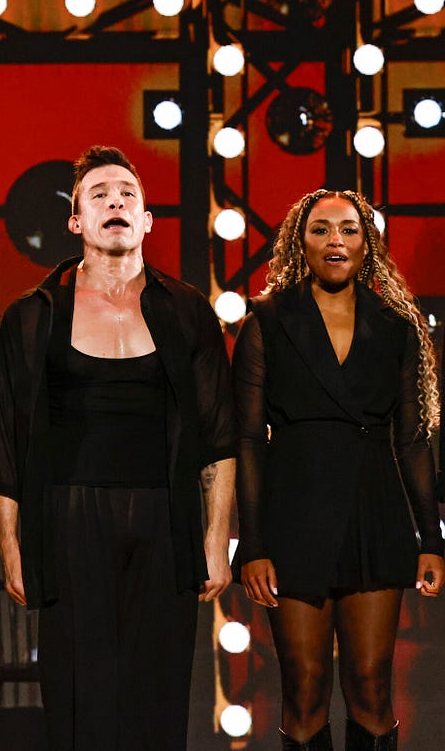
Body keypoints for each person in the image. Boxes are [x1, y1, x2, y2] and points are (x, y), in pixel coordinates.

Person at [0, 145, 236, 751]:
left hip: (165, 519)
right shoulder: (33, 316)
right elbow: (6, 443)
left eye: (127, 194)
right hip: (68, 519)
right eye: (99, 195)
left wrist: (215, 539)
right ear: (76, 221)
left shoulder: (187, 311)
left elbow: (218, 436)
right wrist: (12, 548)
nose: (115, 202)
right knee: (80, 700)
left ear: (147, 219)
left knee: (159, 697)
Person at [234, 189, 442, 751]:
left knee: (372, 686)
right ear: (300, 243)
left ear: (366, 243)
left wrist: (431, 539)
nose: (336, 241)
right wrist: (252, 544)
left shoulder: (394, 325)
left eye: (349, 229)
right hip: (294, 514)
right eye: (321, 229)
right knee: (304, 689)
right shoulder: (268, 321)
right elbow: (248, 439)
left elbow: (412, 440)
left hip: (374, 513)